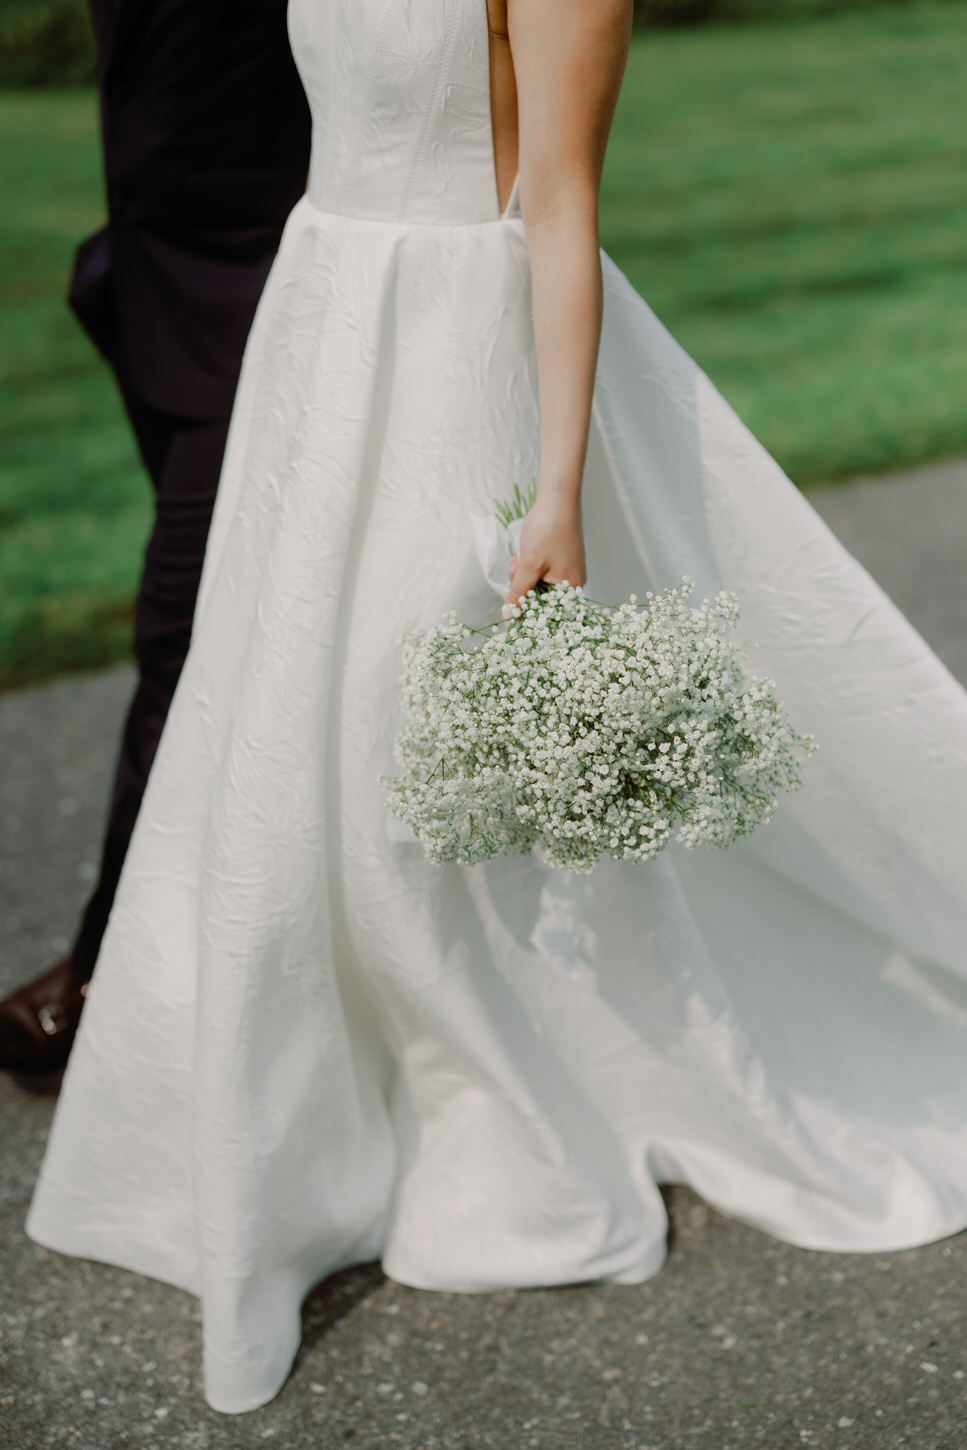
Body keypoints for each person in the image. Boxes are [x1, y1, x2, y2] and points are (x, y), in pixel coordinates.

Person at [27, 0, 967, 1416]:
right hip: (319, 335)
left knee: (398, 767)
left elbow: (559, 203)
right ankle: (293, 1122)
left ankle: (486, 1118)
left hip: (456, 356)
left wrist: (556, 486)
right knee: (284, 744)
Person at [0, 0, 310, 1073]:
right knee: (241, 639)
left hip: (267, 304)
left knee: (183, 636)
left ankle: (102, 983)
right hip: (149, 282)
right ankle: (244, 948)